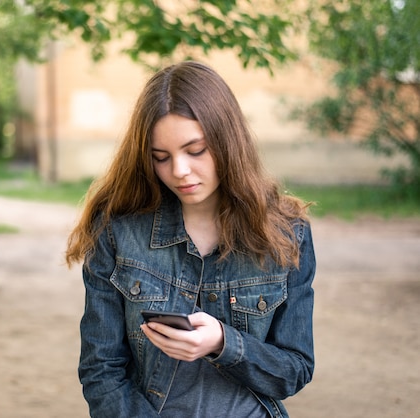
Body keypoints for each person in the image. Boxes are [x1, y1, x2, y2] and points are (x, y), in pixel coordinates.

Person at [65, 61, 316, 418]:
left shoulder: (288, 235)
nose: (179, 171)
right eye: (161, 157)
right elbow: (100, 369)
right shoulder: (117, 231)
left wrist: (222, 343)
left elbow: (294, 369)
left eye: (195, 150)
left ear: (227, 141)